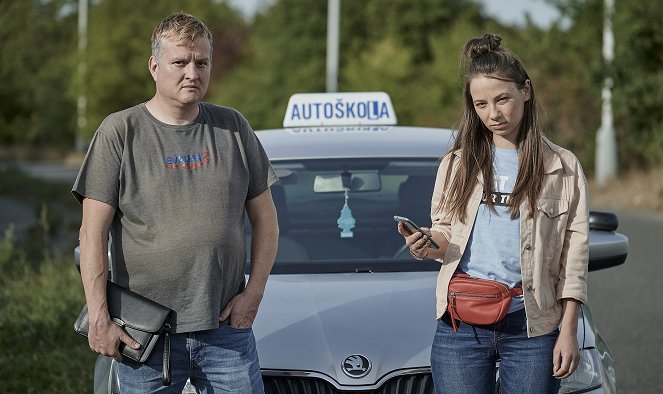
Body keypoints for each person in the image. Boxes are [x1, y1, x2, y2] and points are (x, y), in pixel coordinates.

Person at [73, 12, 278, 393]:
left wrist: (254, 293)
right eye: (180, 62)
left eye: (202, 62)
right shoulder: (120, 132)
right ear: (154, 66)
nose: (192, 73)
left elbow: (267, 222)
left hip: (226, 331)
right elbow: (92, 234)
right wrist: (100, 317)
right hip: (145, 336)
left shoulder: (233, 127)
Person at [398, 33, 588, 393]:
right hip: (461, 327)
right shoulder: (457, 163)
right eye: (481, 104)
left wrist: (569, 331)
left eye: (503, 99)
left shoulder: (563, 167)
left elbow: (573, 258)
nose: (494, 114)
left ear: (526, 92)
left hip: (533, 328)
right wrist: (425, 243)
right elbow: (445, 236)